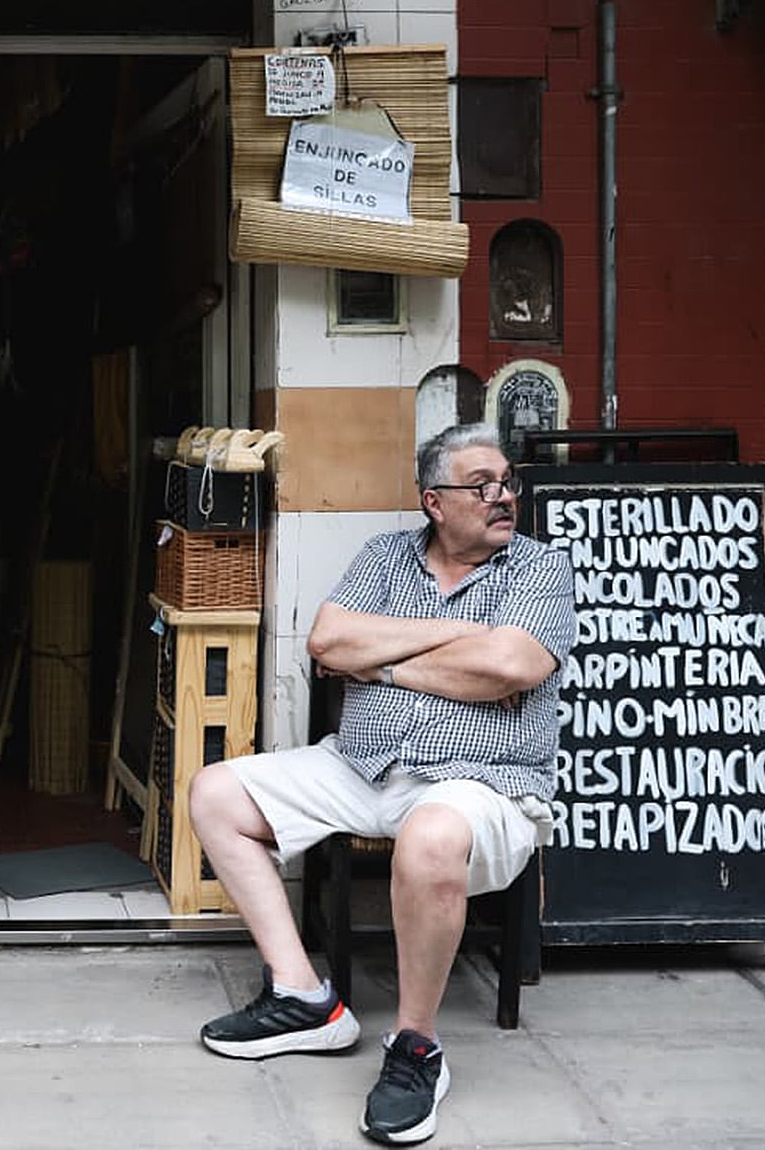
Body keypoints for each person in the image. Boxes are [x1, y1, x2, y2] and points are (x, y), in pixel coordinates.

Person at [186, 422, 574, 1146]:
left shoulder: (540, 569)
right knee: (214, 793)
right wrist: (462, 635)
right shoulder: (383, 555)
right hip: (362, 764)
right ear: (434, 501)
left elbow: (510, 668)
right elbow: (329, 642)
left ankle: (415, 1047)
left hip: (482, 781)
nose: (503, 497)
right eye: (481, 485)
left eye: (507, 482)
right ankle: (304, 998)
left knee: (429, 838)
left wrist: (386, 659)